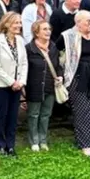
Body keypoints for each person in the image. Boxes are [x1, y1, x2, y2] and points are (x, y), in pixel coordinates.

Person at [60, 11, 90, 156]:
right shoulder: (68, 36)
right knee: (83, 110)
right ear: (78, 23)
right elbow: (56, 50)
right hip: (77, 77)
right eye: (88, 21)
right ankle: (85, 144)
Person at [0, 12, 27, 156]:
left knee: (13, 116)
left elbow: (24, 62)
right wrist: (11, 82)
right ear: (6, 24)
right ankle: (0, 144)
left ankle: (10, 145)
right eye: (15, 23)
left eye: (19, 22)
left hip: (17, 84)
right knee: (1, 115)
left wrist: (21, 82)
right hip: (1, 84)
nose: (19, 25)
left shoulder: (20, 40)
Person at [25, 20, 61, 152]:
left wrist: (60, 75)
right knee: (33, 114)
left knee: (46, 114)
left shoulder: (53, 47)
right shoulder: (29, 49)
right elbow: (25, 68)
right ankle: (34, 140)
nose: (48, 32)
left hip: (50, 86)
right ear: (36, 32)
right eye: (44, 29)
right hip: (34, 87)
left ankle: (43, 139)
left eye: (49, 29)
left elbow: (57, 66)